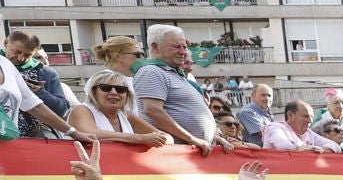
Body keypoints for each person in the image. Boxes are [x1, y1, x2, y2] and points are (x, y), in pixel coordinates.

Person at [132, 24, 227, 153]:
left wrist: (213, 136)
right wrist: (192, 138)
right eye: (176, 47)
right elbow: (153, 110)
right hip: (176, 154)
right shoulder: (151, 71)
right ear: (155, 47)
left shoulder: (173, 73)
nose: (183, 52)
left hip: (193, 151)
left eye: (184, 47)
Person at [69, 69, 168, 145]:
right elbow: (90, 134)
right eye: (106, 88)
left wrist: (157, 139)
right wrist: (140, 139)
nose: (113, 92)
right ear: (94, 92)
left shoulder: (126, 115)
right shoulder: (81, 110)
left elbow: (165, 137)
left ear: (127, 95)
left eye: (120, 89)